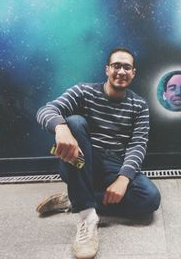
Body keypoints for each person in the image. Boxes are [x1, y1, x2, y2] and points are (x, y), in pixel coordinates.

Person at [36, 47, 161, 259]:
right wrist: (61, 128)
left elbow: (138, 145)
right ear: (107, 69)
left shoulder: (138, 105)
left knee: (150, 199)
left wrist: (123, 179)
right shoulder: (84, 92)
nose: (121, 71)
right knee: (74, 122)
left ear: (133, 73)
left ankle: (74, 199)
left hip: (115, 165)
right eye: (116, 66)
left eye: (127, 67)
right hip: (82, 162)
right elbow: (45, 110)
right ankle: (86, 216)